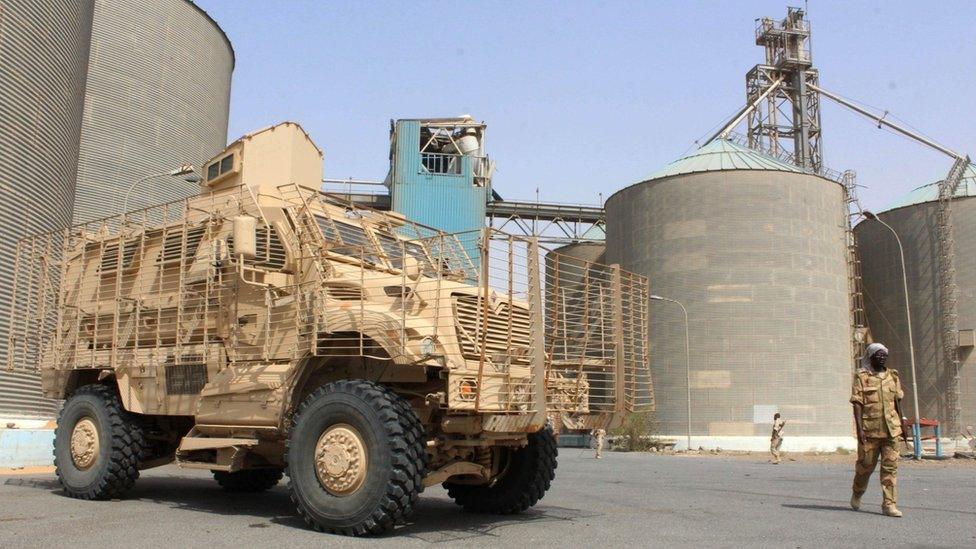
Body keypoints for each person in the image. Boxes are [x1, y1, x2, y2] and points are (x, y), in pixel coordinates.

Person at [850, 343, 908, 517]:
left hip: (892, 430)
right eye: (878, 354)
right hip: (870, 431)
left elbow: (897, 401)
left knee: (890, 468)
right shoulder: (862, 376)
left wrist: (903, 421)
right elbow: (857, 403)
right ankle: (857, 492)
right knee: (865, 466)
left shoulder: (893, 376)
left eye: (884, 354)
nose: (882, 357)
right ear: (871, 356)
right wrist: (860, 429)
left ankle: (889, 504)